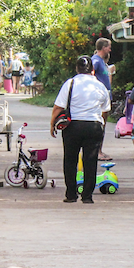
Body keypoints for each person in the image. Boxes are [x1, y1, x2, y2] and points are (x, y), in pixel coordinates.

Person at [51, 56, 111, 204]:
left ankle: (71, 194)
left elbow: (58, 107)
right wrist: (101, 123)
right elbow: (105, 109)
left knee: (70, 160)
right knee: (90, 161)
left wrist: (52, 124)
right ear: (92, 70)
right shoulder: (100, 85)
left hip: (73, 126)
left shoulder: (70, 83)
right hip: (94, 126)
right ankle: (87, 196)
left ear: (77, 69)